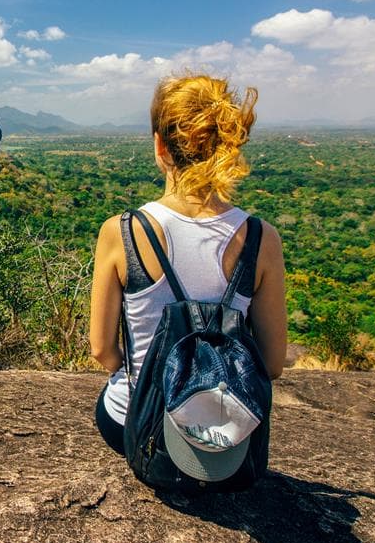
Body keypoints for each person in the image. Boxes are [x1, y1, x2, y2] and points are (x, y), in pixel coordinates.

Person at [89, 73, 287, 458]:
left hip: (135, 421)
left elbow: (102, 350)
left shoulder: (124, 231)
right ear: (225, 145)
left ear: (160, 146)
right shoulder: (262, 239)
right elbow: (273, 363)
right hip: (224, 437)